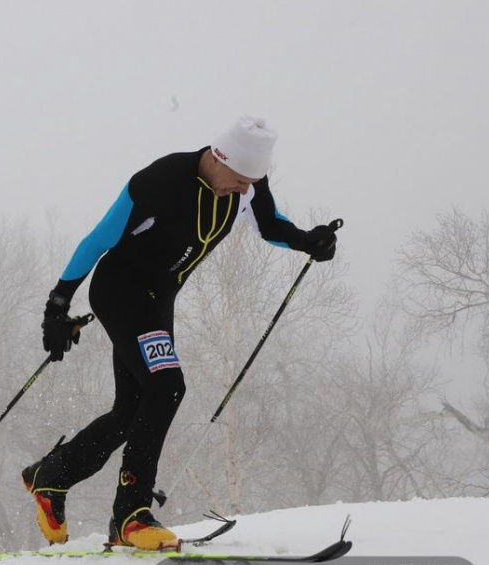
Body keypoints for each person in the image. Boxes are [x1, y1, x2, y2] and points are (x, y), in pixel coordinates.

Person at [21, 116, 337, 551]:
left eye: (253, 182)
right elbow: (97, 240)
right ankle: (131, 514)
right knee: (167, 386)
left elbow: (270, 225)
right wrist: (58, 305)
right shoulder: (160, 180)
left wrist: (308, 241)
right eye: (241, 180)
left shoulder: (247, 184)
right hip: (121, 291)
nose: (245, 190)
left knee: (132, 409)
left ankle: (52, 476)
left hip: (157, 299)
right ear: (218, 157)